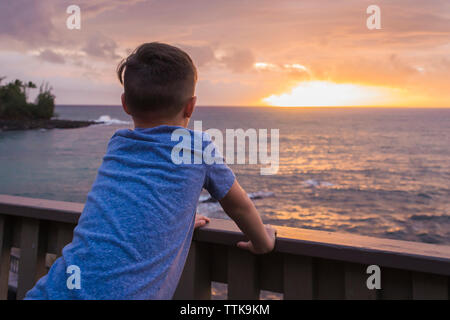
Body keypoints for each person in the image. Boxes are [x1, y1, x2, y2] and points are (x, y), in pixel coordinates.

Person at [25, 42, 276, 300]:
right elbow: (239, 206)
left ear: (125, 104)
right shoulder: (198, 148)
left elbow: (133, 197)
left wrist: (181, 219)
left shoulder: (119, 144)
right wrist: (262, 241)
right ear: (190, 106)